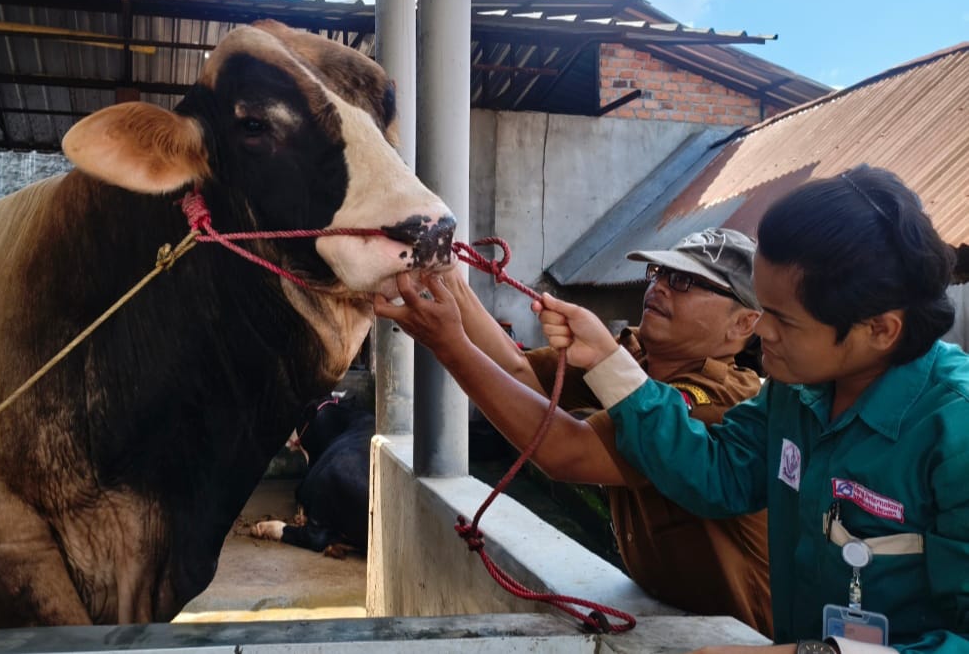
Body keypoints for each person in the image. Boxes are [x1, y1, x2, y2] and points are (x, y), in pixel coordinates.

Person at [378, 165, 969, 653]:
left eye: (782, 321)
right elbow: (717, 475)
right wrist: (609, 363)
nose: (766, 340)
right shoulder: (800, 390)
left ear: (881, 329)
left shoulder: (955, 429)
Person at [441, 228, 772, 635]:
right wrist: (450, 281)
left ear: (743, 323)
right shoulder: (636, 358)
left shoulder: (719, 399)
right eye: (660, 272)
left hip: (744, 636)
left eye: (685, 281)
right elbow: (519, 370)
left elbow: (566, 452)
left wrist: (444, 340)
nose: (660, 288)